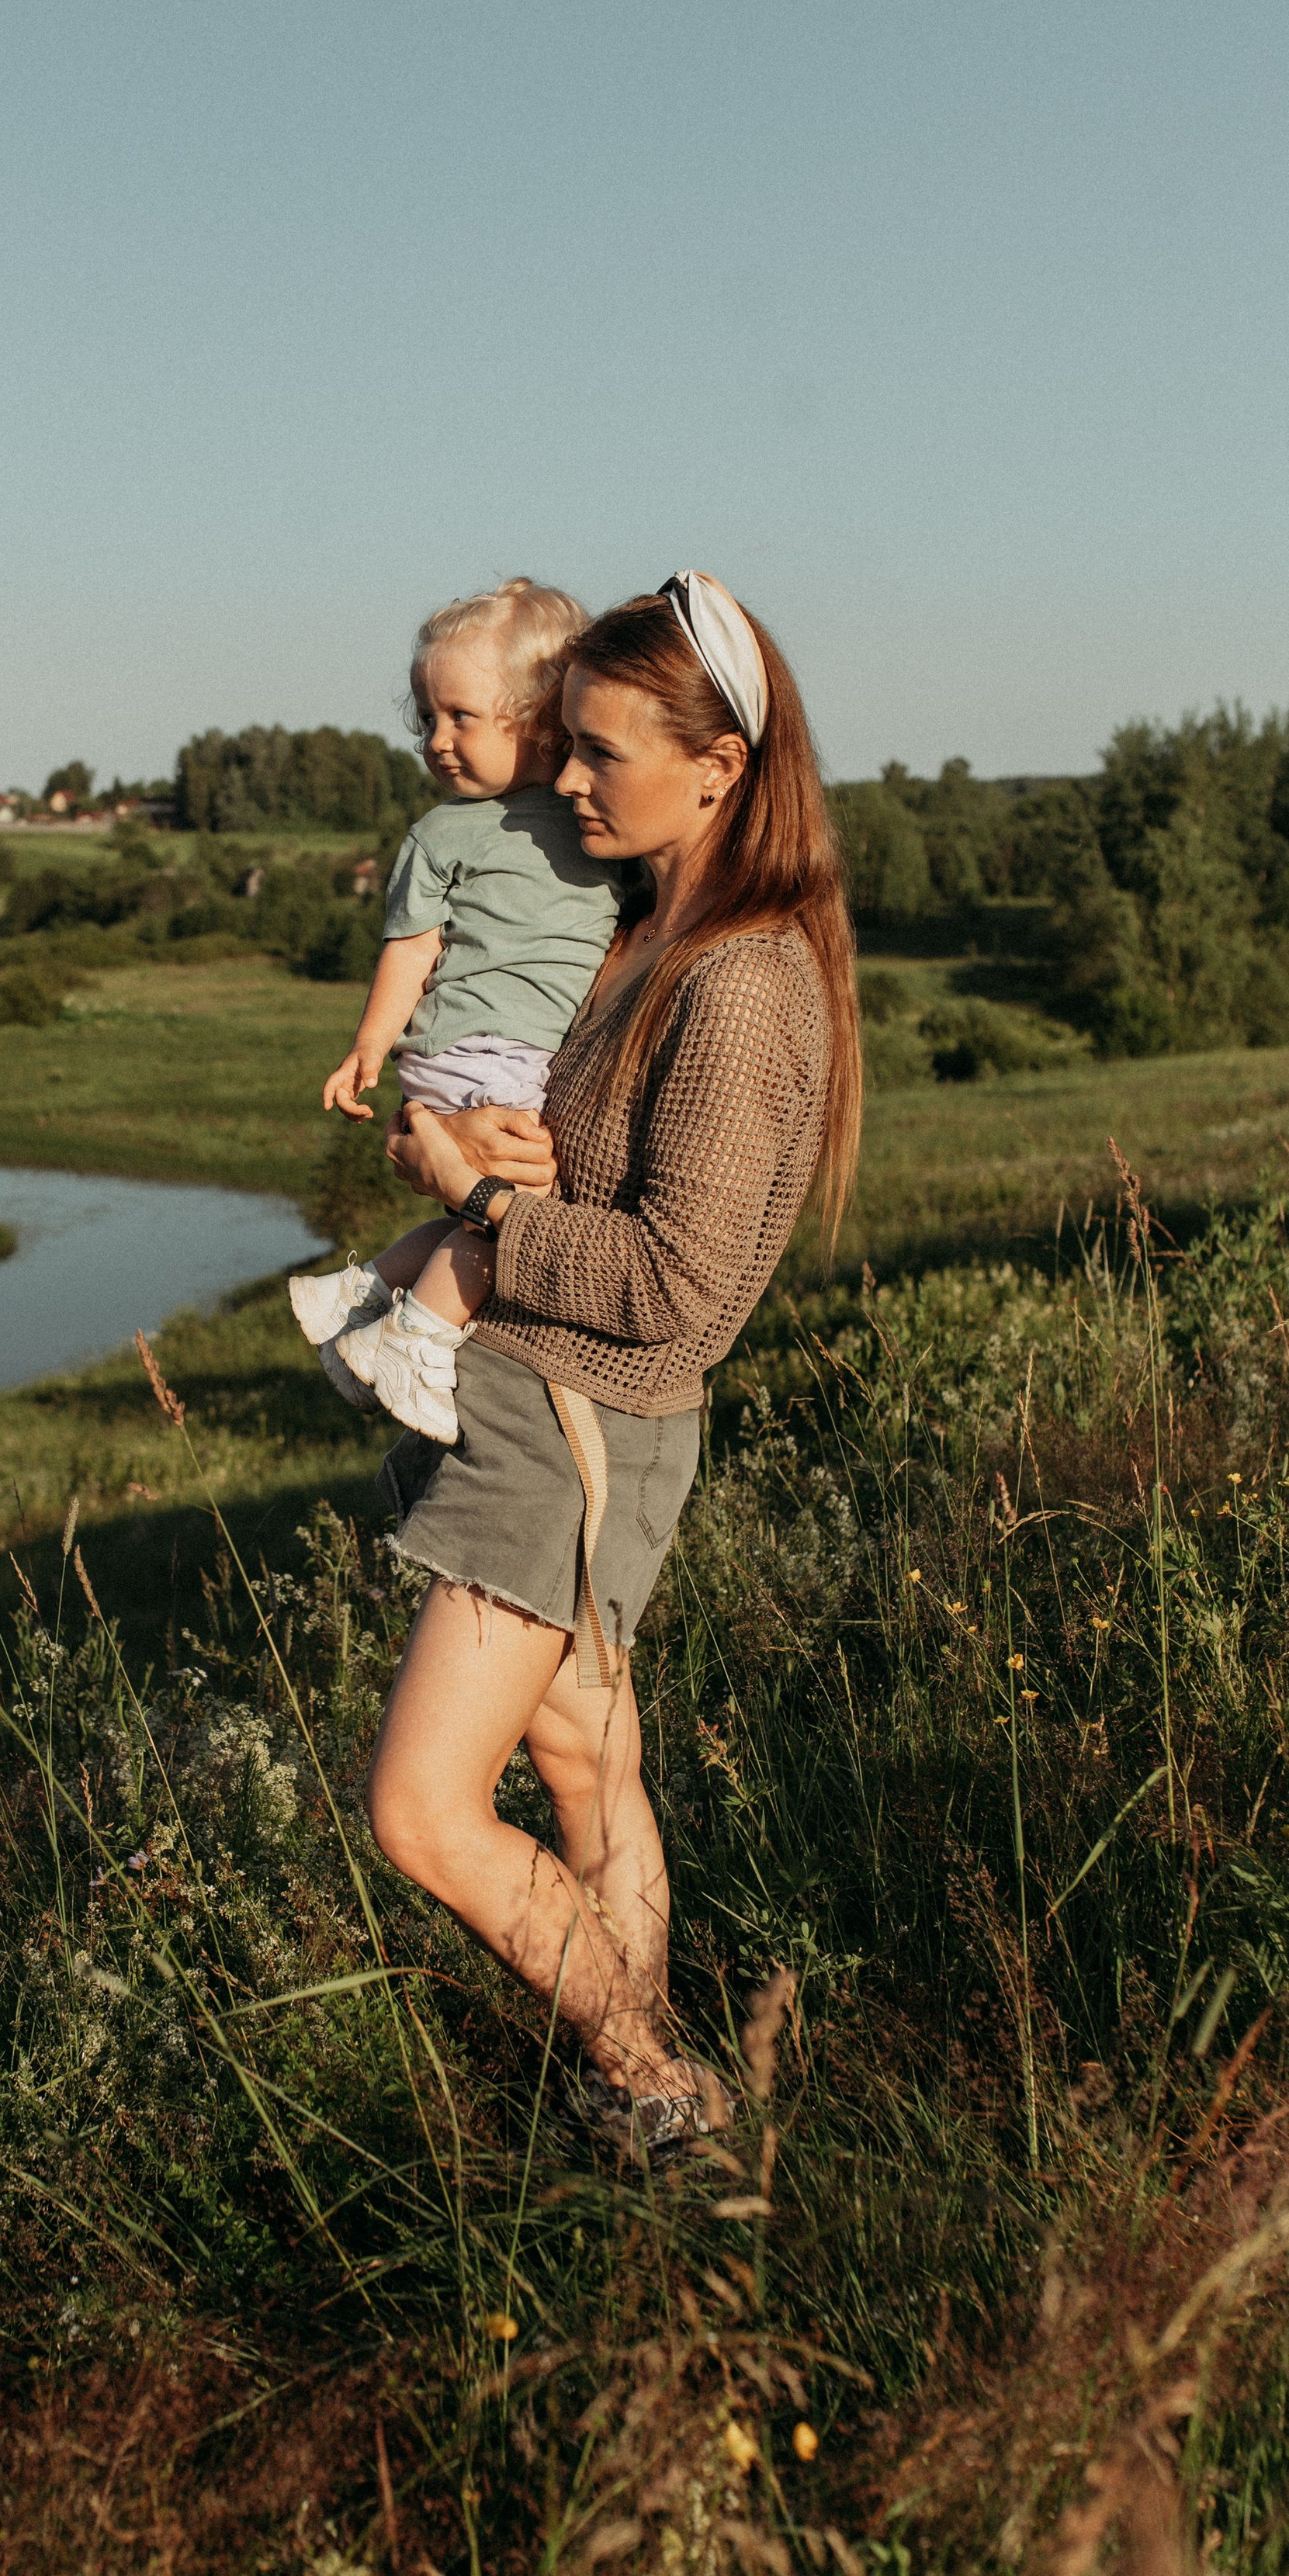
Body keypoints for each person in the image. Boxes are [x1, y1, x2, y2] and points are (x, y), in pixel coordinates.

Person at [364, 573, 863, 2160]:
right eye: (556, 741)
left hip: (573, 1424)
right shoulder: (655, 941)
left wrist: (484, 1204)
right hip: (560, 1401)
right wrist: (470, 1148)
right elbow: (573, 1176)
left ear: (716, 766)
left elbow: (677, 1283)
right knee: (585, 1760)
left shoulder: (741, 981)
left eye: (594, 751)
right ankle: (635, 2110)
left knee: (423, 1813)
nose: (557, 779)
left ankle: (658, 2089)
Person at [288, 578, 618, 1442]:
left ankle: (361, 1295)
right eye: (427, 719)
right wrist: (369, 1044)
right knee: (511, 1212)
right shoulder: (445, 832)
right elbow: (412, 946)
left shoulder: (593, 822)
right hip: (481, 1052)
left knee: (468, 1206)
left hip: (491, 1056)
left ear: (542, 717)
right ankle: (416, 1340)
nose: (437, 741)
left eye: (461, 716)